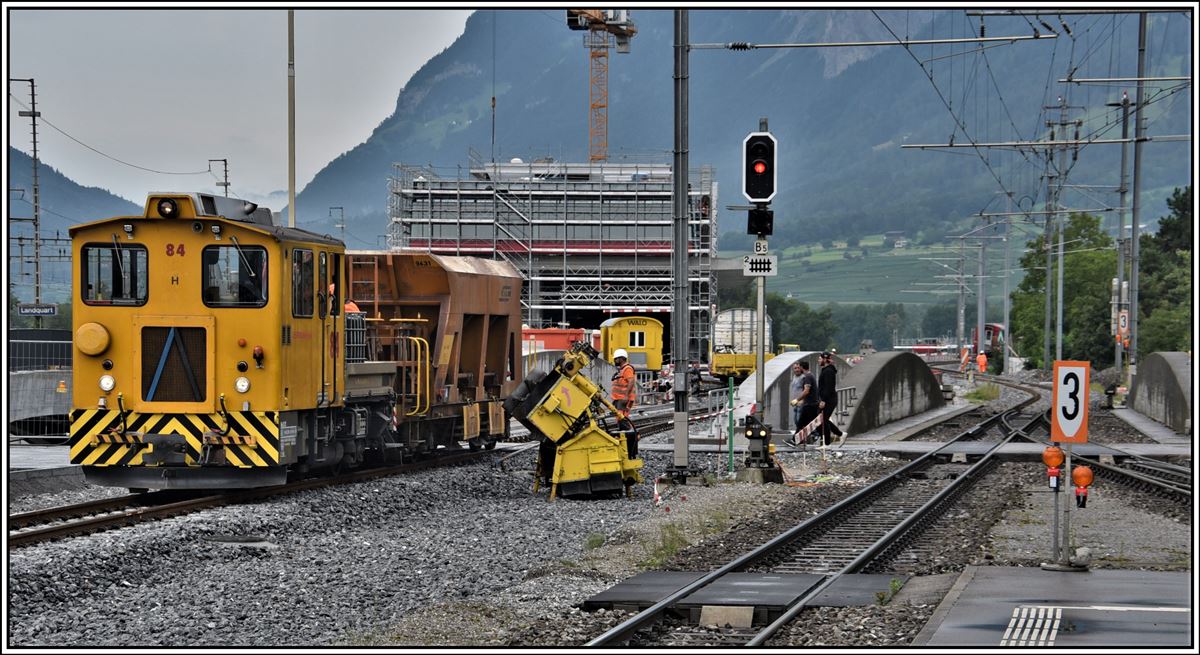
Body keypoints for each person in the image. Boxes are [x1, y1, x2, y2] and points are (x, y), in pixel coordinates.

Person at [610, 348, 638, 456]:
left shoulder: (627, 369)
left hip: (623, 399)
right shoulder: (622, 369)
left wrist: (626, 396)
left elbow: (631, 381)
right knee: (620, 419)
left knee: (622, 420)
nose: (615, 360)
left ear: (621, 358)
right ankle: (625, 441)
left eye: (616, 359)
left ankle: (630, 442)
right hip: (619, 399)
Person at [785, 360, 819, 447]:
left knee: (803, 422)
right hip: (808, 403)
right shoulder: (808, 376)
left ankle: (815, 434)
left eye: (798, 367)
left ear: (801, 368)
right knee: (801, 422)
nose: (797, 369)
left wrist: (798, 400)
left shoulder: (806, 377)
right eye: (795, 368)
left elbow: (806, 391)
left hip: (807, 403)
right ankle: (796, 440)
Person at [817, 351, 845, 447]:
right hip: (827, 399)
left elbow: (828, 387)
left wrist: (823, 400)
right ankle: (829, 441)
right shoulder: (826, 370)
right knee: (822, 419)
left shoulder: (828, 371)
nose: (818, 360)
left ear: (825, 359)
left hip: (829, 399)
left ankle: (830, 441)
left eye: (820, 358)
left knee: (823, 419)